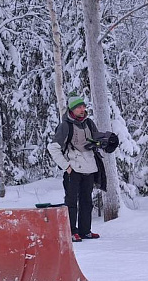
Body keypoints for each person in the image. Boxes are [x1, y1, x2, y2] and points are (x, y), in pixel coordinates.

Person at [48, 93, 118, 243]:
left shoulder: (89, 123)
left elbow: (95, 139)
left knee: (87, 201)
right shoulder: (65, 126)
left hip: (89, 168)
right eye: (79, 107)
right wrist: (66, 166)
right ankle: (71, 232)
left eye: (83, 106)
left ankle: (85, 231)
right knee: (71, 201)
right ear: (72, 110)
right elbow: (53, 147)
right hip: (73, 169)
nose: (82, 109)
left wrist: (105, 141)